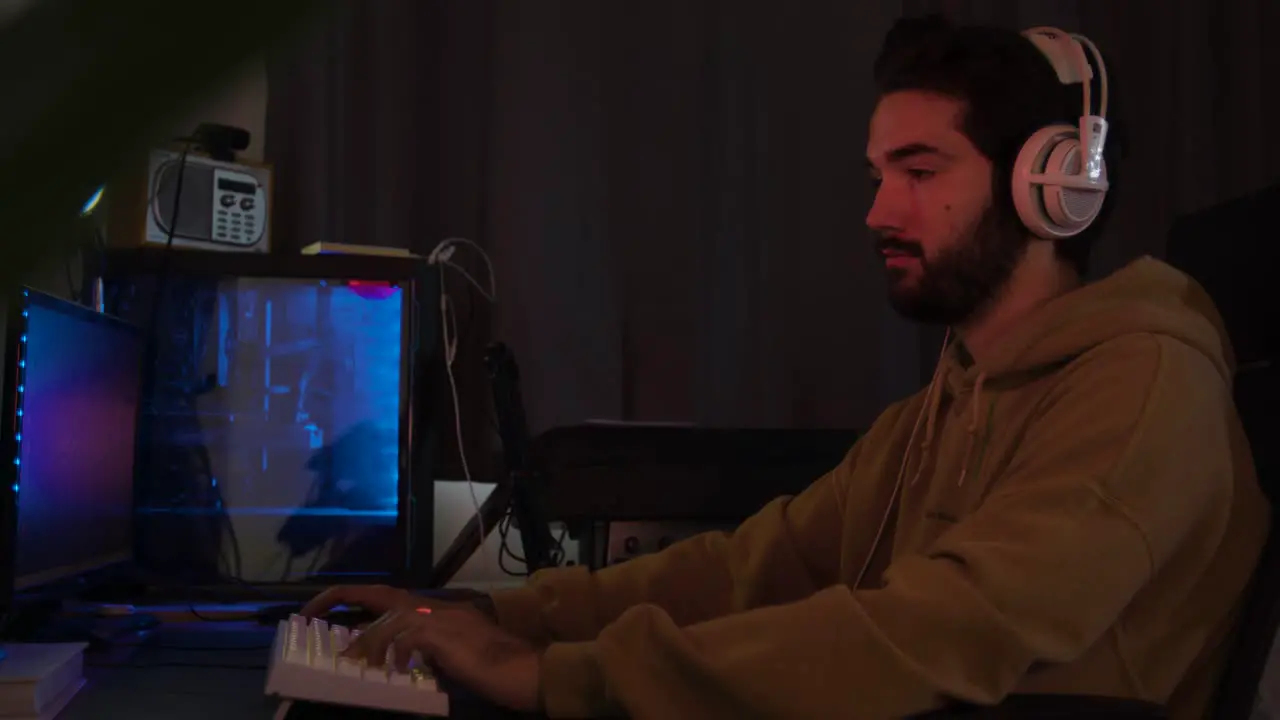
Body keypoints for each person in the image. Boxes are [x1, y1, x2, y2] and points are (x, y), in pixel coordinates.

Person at [301, 16, 1269, 719]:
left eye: (919, 173)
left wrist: (551, 680)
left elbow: (937, 631)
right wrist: (492, 614)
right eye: (875, 175)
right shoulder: (952, 397)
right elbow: (754, 570)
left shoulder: (1140, 388)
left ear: (1054, 183)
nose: (876, 213)